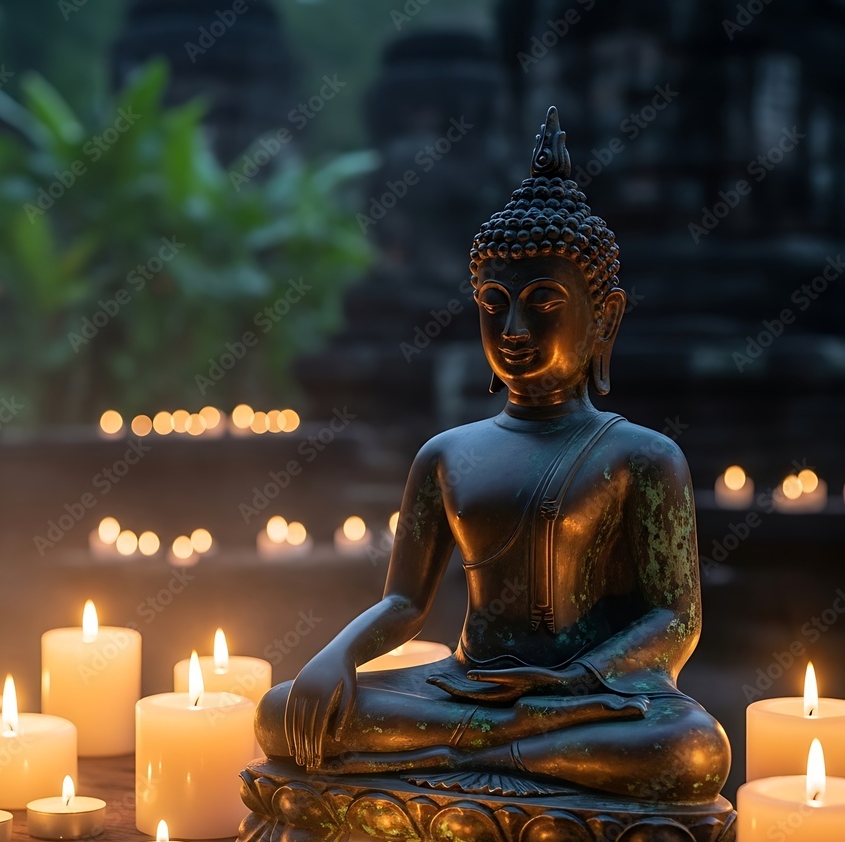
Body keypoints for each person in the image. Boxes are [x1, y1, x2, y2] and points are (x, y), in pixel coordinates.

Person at [254, 108, 730, 805]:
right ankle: (510, 757)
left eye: (542, 303)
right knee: (283, 711)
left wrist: (571, 682)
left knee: (688, 751)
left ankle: (465, 757)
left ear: (606, 318)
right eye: (493, 303)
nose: (511, 330)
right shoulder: (447, 454)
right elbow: (403, 600)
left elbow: (675, 621)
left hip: (582, 699)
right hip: (464, 689)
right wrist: (338, 656)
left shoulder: (642, 457)